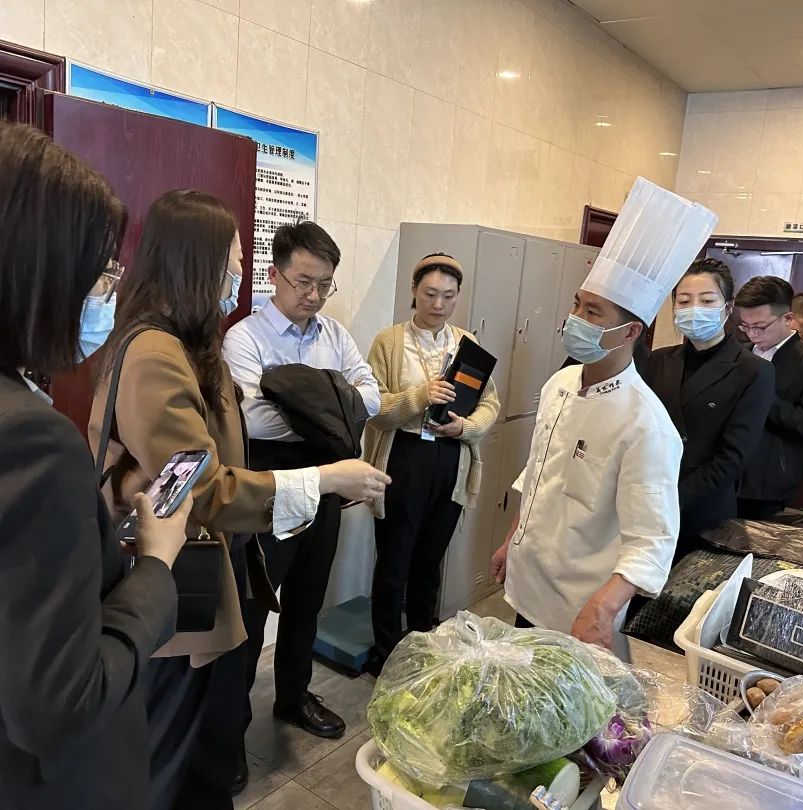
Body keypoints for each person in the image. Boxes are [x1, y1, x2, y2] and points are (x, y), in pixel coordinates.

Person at [88, 192, 388, 809]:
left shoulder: (184, 346)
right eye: (233, 261)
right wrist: (325, 478)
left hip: (209, 555)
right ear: (196, 264)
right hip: (178, 577)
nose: (238, 275)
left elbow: (366, 395)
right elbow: (203, 486)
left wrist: (303, 403)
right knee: (185, 759)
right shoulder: (157, 353)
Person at [0, 123, 192, 809]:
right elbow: (61, 700)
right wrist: (157, 566)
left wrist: (89, 530)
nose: (109, 289)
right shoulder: (32, 438)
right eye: (102, 270)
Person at [489, 178, 714, 660]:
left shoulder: (645, 425)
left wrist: (605, 606)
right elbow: (539, 475)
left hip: (582, 610)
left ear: (630, 332)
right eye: (577, 304)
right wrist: (512, 541)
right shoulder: (560, 384)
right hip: (527, 585)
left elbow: (651, 539)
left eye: (592, 311)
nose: (575, 318)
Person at [223, 222, 380, 745]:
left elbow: (371, 395)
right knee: (251, 607)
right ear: (275, 275)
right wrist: (333, 406)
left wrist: (299, 399)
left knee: (307, 599)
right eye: (303, 282)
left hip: (326, 485)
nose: (313, 295)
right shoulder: (244, 337)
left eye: (324, 285)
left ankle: (293, 696)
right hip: (267, 486)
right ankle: (232, 725)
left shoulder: (335, 335)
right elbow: (252, 419)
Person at [363, 253, 501, 676]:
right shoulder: (389, 342)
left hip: (450, 457)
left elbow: (491, 403)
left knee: (430, 559)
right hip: (403, 457)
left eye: (448, 296)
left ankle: (424, 642)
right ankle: (388, 653)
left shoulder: (466, 342)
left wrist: (465, 428)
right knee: (395, 561)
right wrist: (420, 397)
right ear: (413, 291)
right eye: (430, 294)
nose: (439, 304)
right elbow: (373, 407)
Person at [643, 258, 774, 559]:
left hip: (702, 513)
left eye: (707, 300)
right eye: (684, 301)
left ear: (728, 308)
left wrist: (671, 500)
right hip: (647, 498)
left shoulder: (754, 371)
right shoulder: (659, 360)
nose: (694, 309)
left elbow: (732, 457)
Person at [736, 276, 803, 520]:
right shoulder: (740, 354)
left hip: (769, 481)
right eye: (745, 326)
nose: (752, 334)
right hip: (726, 472)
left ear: (787, 318)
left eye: (760, 326)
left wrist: (761, 398)